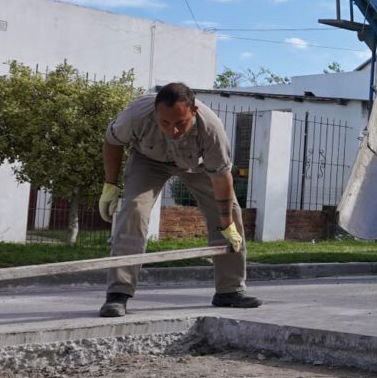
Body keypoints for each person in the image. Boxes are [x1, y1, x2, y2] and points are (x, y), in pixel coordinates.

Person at [96, 83, 262, 317]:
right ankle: (118, 293)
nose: (173, 131)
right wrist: (110, 185)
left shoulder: (211, 128)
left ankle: (230, 290)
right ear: (155, 113)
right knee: (134, 210)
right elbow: (112, 142)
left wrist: (225, 222)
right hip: (148, 161)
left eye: (180, 123)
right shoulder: (135, 115)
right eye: (164, 123)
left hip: (196, 166)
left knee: (230, 213)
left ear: (193, 111)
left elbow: (221, 177)